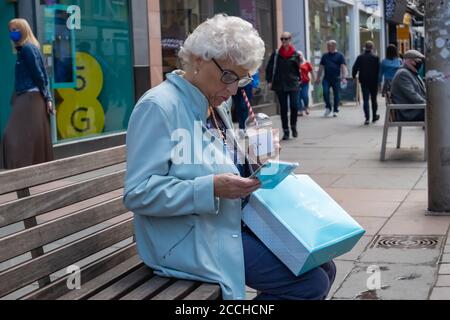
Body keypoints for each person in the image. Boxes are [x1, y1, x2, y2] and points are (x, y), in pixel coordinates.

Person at [124, 14, 336, 301]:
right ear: (198, 59)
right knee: (309, 284)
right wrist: (210, 188)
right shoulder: (159, 107)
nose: (234, 89)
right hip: (187, 238)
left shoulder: (211, 101)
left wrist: (253, 158)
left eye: (243, 78)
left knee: (325, 266)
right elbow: (138, 193)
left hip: (227, 222)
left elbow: (219, 160)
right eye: (228, 77)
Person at [0, 19, 54, 170]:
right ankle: (28, 175)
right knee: (30, 138)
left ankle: (23, 173)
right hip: (27, 97)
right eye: (10, 30)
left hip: (30, 97)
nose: (12, 33)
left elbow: (40, 75)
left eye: (16, 29)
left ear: (24, 30)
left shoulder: (28, 49)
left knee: (11, 136)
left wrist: (48, 97)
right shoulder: (27, 49)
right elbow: (42, 73)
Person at [265, 32, 301, 140]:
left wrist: (299, 79)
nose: (284, 41)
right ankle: (286, 130)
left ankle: (293, 126)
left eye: (286, 39)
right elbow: (269, 68)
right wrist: (269, 80)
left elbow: (298, 69)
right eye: (282, 39)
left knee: (294, 106)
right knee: (283, 108)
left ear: (290, 39)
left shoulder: (295, 54)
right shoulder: (276, 54)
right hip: (280, 84)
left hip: (293, 83)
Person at [390, 50, 426, 122]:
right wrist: (430, 106)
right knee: (443, 113)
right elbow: (413, 96)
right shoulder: (403, 74)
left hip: (416, 109)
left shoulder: (412, 73)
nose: (420, 63)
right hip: (410, 113)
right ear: (408, 61)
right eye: (418, 61)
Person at [316, 40, 348, 118]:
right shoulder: (325, 56)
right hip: (326, 78)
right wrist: (318, 78)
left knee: (336, 94)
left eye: (329, 46)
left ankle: (335, 110)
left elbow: (343, 67)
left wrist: (344, 77)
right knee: (325, 92)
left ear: (334, 46)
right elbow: (321, 67)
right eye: (327, 46)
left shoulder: (340, 55)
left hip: (336, 78)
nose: (327, 47)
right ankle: (328, 107)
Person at [352, 41, 381, 125]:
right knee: (373, 99)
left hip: (364, 80)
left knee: (365, 99)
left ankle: (367, 118)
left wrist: (354, 77)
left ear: (365, 47)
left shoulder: (360, 57)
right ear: (372, 47)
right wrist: (379, 82)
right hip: (373, 81)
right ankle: (374, 116)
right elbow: (378, 70)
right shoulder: (376, 58)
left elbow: (355, 67)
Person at [297, 51, 315, 117]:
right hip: (296, 83)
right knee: (298, 97)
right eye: (297, 55)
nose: (299, 57)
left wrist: (314, 78)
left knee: (305, 96)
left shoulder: (306, 63)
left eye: (300, 55)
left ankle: (306, 107)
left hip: (305, 82)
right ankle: (300, 110)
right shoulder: (294, 63)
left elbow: (311, 71)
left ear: (302, 56)